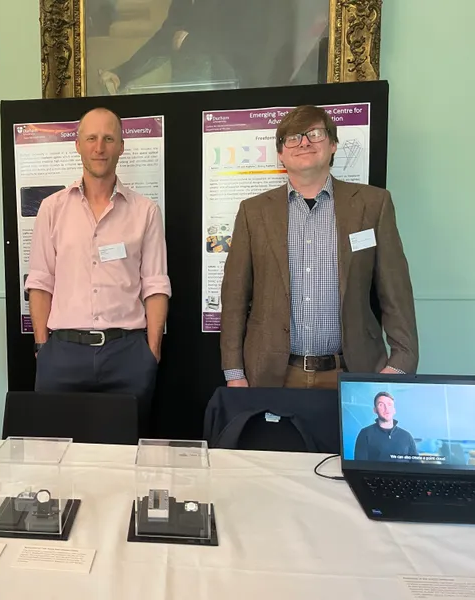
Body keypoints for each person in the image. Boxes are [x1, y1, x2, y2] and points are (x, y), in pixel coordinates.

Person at [220, 105, 418, 389]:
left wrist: (400, 364)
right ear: (280, 153)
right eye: (293, 137)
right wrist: (234, 371)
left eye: (314, 134)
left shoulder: (373, 205)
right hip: (272, 376)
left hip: (353, 373)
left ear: (333, 144)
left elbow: (395, 291)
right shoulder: (254, 212)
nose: (304, 142)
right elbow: (235, 297)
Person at [24, 107, 170, 431]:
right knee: (55, 454)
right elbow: (40, 282)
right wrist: (42, 346)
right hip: (62, 355)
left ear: (121, 145)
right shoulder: (52, 209)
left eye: (108, 138)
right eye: (91, 138)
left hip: (128, 356)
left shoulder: (145, 211)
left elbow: (156, 284)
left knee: (124, 457)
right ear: (77, 145)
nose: (99, 147)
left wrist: (152, 351)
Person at [98, 0, 295, 93]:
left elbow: (252, 39)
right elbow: (165, 38)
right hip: (187, 90)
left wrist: (192, 41)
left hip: (234, 95)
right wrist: (122, 73)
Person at [354, 392, 417, 461]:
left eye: (389, 405)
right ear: (375, 410)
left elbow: (417, 466)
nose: (386, 408)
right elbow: (360, 466)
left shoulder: (407, 436)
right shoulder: (365, 434)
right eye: (381, 405)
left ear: (394, 410)